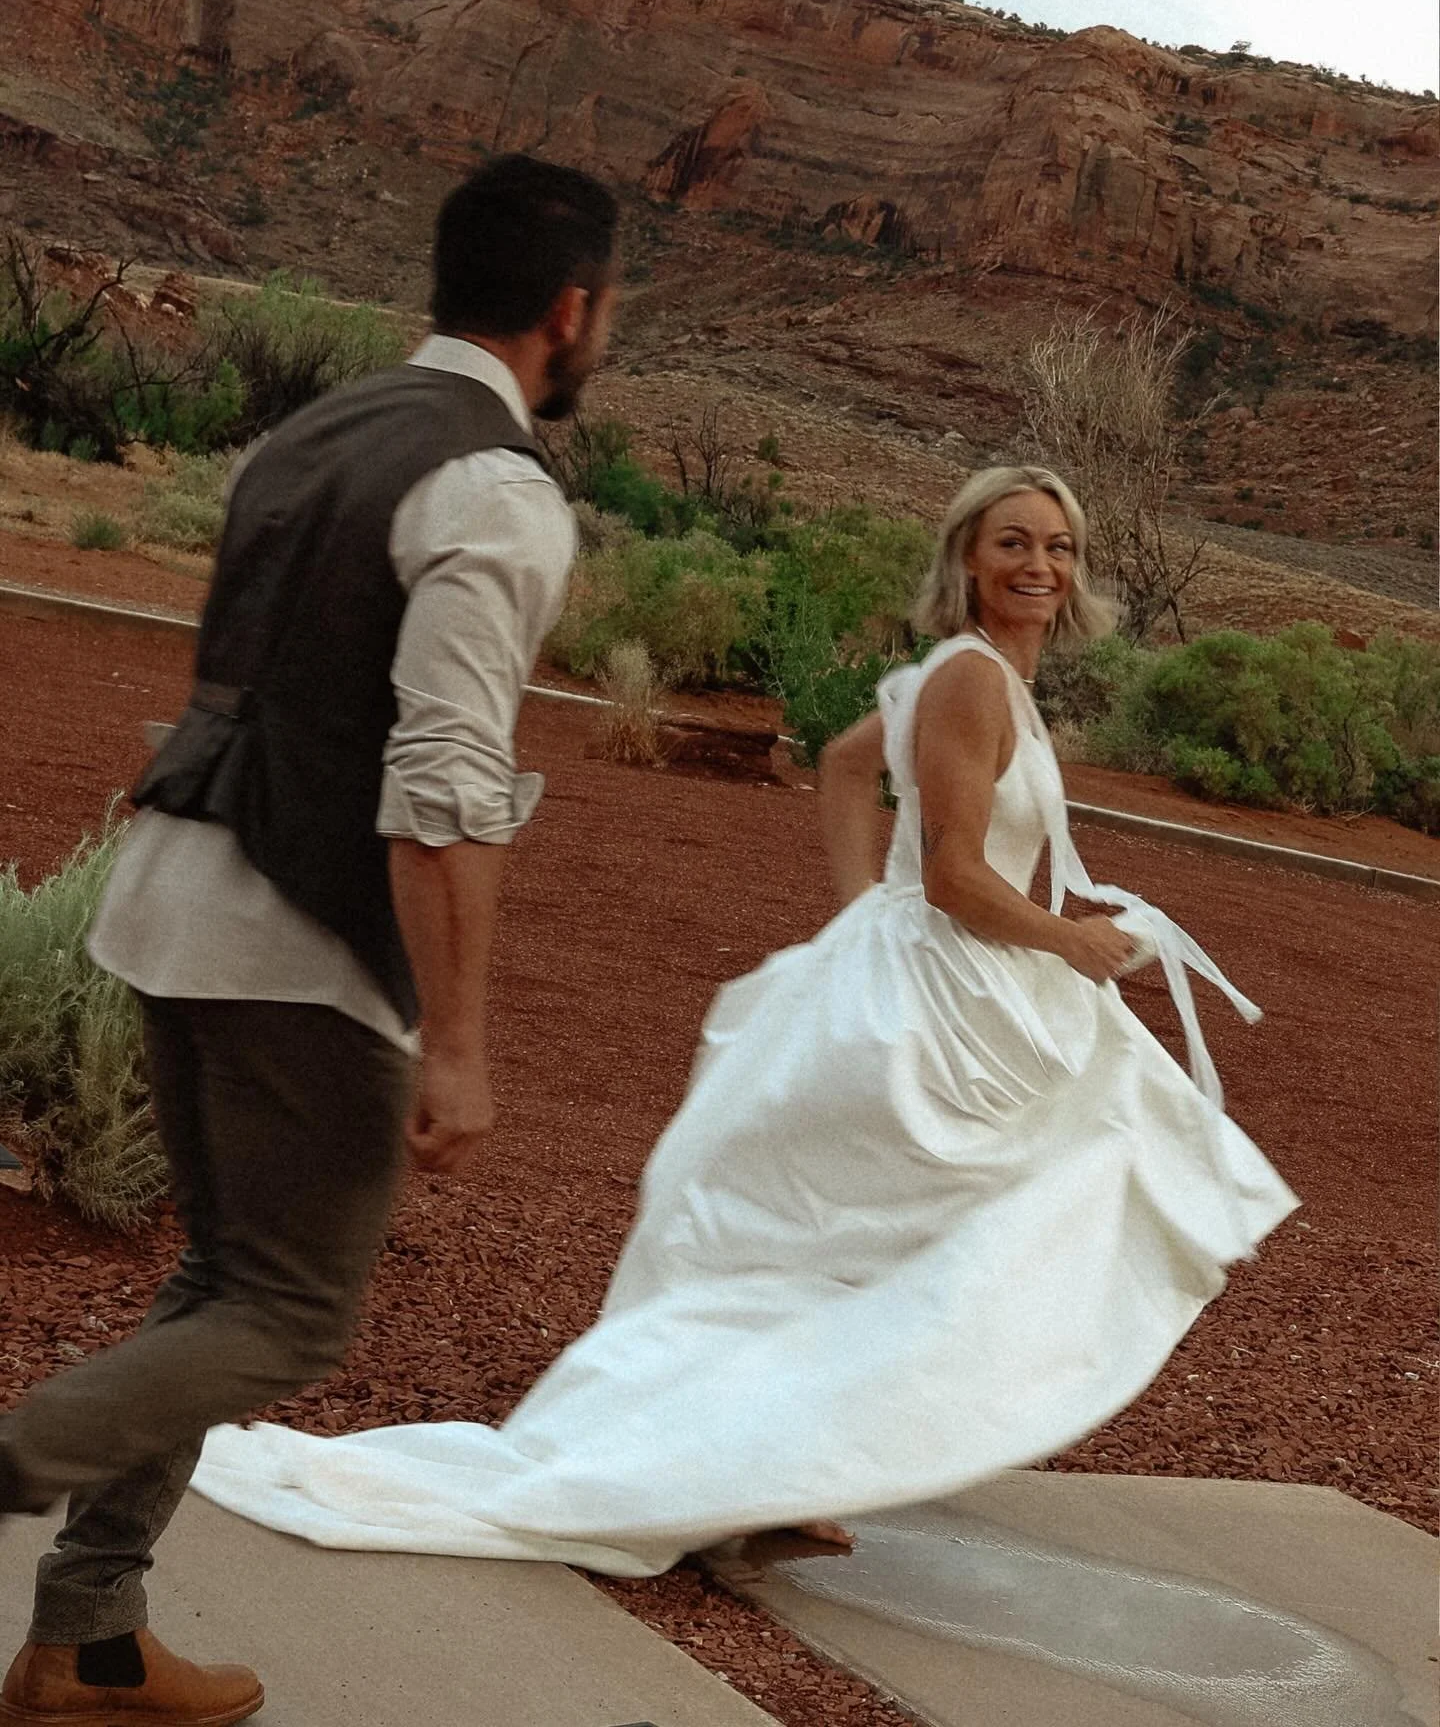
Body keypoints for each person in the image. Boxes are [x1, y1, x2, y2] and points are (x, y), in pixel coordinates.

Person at [187, 465, 1298, 1576]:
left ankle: (781, 1465)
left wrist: (873, 904)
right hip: (954, 991)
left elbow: (849, 761)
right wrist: (1065, 940)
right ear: (967, 558)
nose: (1040, 567)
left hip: (953, 982)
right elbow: (957, 874)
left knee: (875, 1239)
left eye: (1058, 547)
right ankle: (766, 1458)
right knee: (987, 1214)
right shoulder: (972, 680)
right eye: (1014, 543)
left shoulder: (967, 676)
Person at [0, 154, 619, 1725]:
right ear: (572, 308)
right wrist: (461, 1041)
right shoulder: (495, 485)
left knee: (222, 1277)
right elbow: (439, 790)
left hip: (167, 892)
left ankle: (90, 1637)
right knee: (285, 1314)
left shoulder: (315, 429)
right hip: (298, 936)